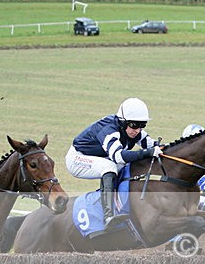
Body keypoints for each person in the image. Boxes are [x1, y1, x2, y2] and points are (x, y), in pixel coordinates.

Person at [66, 98, 162, 229]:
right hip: (77, 159)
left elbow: (156, 146)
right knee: (110, 166)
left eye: (142, 125)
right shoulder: (109, 130)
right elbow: (119, 156)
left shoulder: (134, 131)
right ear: (123, 123)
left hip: (99, 157)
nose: (138, 130)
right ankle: (108, 215)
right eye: (134, 125)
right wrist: (148, 153)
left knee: (123, 166)